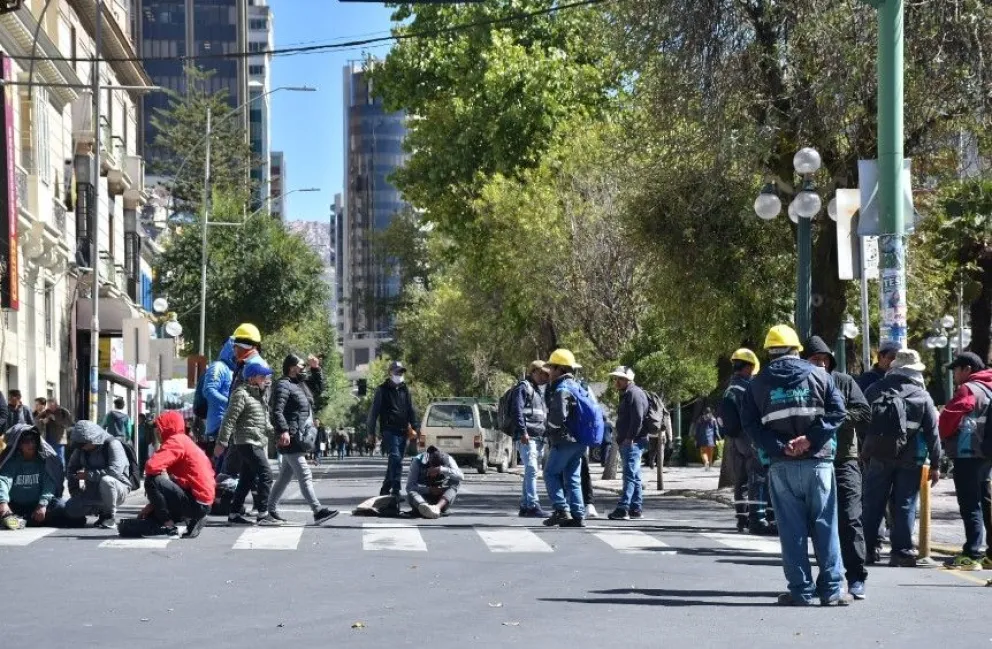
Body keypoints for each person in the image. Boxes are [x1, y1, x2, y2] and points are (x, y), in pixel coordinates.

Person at [741, 324, 849, 606]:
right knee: (826, 526)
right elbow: (839, 411)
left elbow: (750, 425)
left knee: (791, 531)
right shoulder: (820, 375)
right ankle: (833, 590)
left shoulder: (757, 383)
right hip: (818, 463)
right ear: (797, 349)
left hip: (782, 466)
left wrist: (780, 446)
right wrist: (810, 440)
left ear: (769, 351)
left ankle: (801, 591)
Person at [863, 349, 942, 571]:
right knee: (905, 504)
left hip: (878, 457)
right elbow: (932, 434)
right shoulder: (922, 396)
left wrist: (865, 451)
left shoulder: (874, 389)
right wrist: (936, 464)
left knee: (873, 502)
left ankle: (867, 550)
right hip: (911, 459)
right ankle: (902, 552)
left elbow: (862, 423)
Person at [806, 335, 871, 599]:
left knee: (850, 517)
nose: (820, 365)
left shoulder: (843, 381)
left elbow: (864, 412)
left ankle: (856, 576)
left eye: (824, 360)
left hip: (844, 459)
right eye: (814, 361)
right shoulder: (801, 384)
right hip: (813, 460)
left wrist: (834, 417)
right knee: (819, 521)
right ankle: (828, 577)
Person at [268, 354, 337, 525]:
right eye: (301, 365)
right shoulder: (283, 385)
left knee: (284, 477)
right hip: (291, 437)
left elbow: (319, 388)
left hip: (298, 435)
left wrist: (316, 368)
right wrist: (283, 430)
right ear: (292, 367)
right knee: (305, 474)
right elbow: (276, 411)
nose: (303, 368)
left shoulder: (300, 384)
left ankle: (269, 509)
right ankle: (317, 510)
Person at [938, 351, 992, 570]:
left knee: (970, 503)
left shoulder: (969, 389)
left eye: (957, 370)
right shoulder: (989, 387)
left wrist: (942, 436)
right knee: (985, 500)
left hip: (967, 452)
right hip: (987, 454)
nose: (955, 375)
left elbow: (949, 419)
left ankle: (972, 552)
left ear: (967, 369)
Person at [215, 357, 279, 526]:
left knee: (246, 479)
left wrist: (278, 435)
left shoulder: (259, 397)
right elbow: (229, 419)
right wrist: (221, 442)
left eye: (266, 377)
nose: (265, 380)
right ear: (251, 378)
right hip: (246, 441)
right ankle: (263, 514)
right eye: (262, 377)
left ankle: (234, 513)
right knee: (266, 475)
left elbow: (265, 423)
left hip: (256, 441)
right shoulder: (241, 394)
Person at [719, 348, 774, 535]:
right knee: (758, 476)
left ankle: (741, 518)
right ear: (748, 367)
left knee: (740, 480)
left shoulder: (730, 388)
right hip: (749, 438)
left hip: (735, 440)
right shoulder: (746, 388)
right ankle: (758, 517)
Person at [140, 410, 216, 539]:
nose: (157, 433)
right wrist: (153, 505)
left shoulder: (175, 441)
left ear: (166, 428)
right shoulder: (184, 440)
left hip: (197, 502)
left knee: (151, 479)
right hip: (203, 501)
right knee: (153, 515)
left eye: (159, 429)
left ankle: (168, 525)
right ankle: (191, 519)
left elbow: (151, 467)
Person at [0, 425, 82, 530]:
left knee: (63, 507)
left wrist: (42, 505)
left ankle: (22, 521)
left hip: (38, 505)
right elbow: (3, 481)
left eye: (33, 441)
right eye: (26, 441)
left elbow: (49, 483)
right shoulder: (12, 462)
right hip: (13, 506)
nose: (31, 444)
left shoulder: (44, 461)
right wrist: (3, 503)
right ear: (19, 444)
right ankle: (16, 519)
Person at [542, 349, 588, 528]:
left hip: (565, 440)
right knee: (572, 477)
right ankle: (577, 515)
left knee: (550, 473)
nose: (549, 372)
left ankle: (561, 509)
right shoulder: (578, 386)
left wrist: (550, 429)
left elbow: (558, 416)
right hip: (580, 441)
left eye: (552, 367)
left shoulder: (562, 389)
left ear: (560, 369)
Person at [64, 421, 135, 529]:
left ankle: (109, 516)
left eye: (83, 444)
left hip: (117, 489)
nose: (81, 447)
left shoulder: (112, 444)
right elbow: (71, 468)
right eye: (79, 445)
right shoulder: (81, 449)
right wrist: (75, 492)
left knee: (107, 481)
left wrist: (88, 475)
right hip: (92, 490)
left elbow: (114, 472)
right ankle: (98, 510)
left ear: (93, 439)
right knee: (70, 508)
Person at [367, 361, 420, 499]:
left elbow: (410, 409)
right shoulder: (382, 390)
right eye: (397, 372)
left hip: (403, 431)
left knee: (396, 461)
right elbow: (373, 413)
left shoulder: (405, 390)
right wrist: (370, 433)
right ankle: (396, 489)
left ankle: (385, 488)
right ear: (390, 373)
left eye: (401, 372)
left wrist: (415, 427)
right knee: (395, 457)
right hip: (389, 430)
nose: (400, 375)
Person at [607, 366, 650, 521]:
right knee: (635, 475)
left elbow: (637, 417)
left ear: (629, 379)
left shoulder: (634, 393)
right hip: (631, 440)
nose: (617, 381)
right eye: (616, 378)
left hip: (633, 441)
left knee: (629, 475)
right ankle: (635, 508)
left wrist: (630, 437)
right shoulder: (628, 394)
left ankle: (623, 508)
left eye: (620, 379)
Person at [513, 360, 550, 517]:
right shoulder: (523, 387)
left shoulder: (537, 390)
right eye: (542, 373)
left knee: (531, 471)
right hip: (527, 436)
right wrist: (523, 432)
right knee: (532, 469)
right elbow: (517, 410)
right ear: (533, 372)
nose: (545, 377)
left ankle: (525, 505)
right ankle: (533, 505)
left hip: (538, 436)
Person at [203, 338, 237, 462]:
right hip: (218, 426)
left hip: (229, 425)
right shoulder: (218, 367)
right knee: (220, 469)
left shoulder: (233, 369)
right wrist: (230, 404)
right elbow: (209, 390)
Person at [406, 445, 464, 518]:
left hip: (442, 499)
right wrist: (429, 490)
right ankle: (425, 508)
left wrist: (442, 470)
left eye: (436, 469)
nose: (433, 471)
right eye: (431, 467)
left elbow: (461, 476)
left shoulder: (448, 459)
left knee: (456, 481)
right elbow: (409, 487)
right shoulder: (417, 461)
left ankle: (436, 508)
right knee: (411, 492)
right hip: (423, 498)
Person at [229, 323, 263, 395]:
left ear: (244, 347)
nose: (233, 349)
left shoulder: (254, 366)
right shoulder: (243, 364)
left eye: (235, 346)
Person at [36, 399, 73, 465]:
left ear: (56, 404)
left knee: (59, 458)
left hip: (59, 440)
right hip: (48, 440)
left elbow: (68, 423)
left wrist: (55, 418)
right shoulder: (46, 412)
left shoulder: (63, 412)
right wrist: (43, 421)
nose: (50, 408)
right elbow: (36, 421)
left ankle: (61, 473)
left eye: (51, 406)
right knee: (50, 458)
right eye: (49, 406)